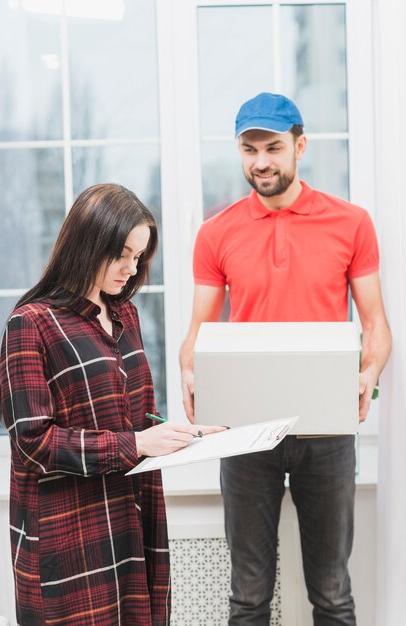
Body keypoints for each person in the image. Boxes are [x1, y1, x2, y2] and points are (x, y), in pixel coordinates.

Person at [180, 93, 392, 625]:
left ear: (300, 146)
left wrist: (368, 374)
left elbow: (376, 327)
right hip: (246, 431)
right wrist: (189, 367)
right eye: (249, 149)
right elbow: (197, 333)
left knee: (333, 593)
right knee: (248, 597)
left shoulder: (351, 223)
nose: (261, 161)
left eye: (273, 147)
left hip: (327, 433)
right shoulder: (217, 232)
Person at [0, 183, 224, 626]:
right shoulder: (31, 324)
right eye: (121, 253)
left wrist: (181, 436)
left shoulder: (125, 314)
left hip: (131, 513)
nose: (131, 268)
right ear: (87, 242)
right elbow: (33, 442)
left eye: (139, 257)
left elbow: (135, 418)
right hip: (69, 530)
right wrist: (137, 443)